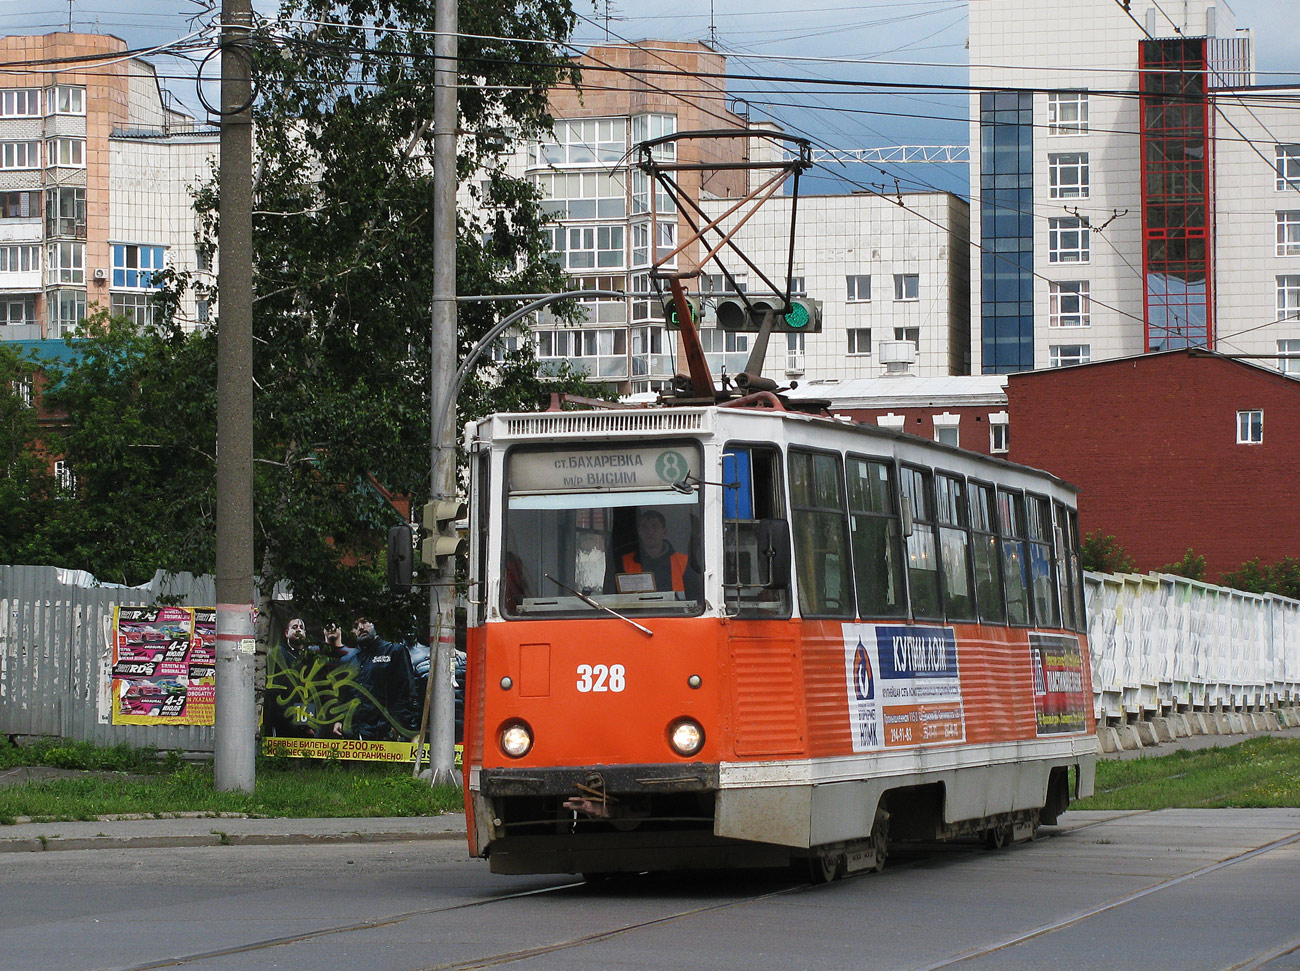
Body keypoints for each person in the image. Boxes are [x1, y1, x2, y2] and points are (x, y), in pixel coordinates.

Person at [341, 616, 419, 741]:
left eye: (365, 622)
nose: (361, 627)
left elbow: (406, 693)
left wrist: (405, 728)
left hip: (388, 731)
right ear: (352, 631)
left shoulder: (394, 651)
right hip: (356, 733)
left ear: (374, 624)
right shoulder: (347, 660)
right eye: (356, 625)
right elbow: (343, 696)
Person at [613, 509, 702, 600]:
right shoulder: (624, 561)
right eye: (644, 527)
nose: (649, 531)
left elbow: (696, 600)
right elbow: (614, 600)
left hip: (676, 613)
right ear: (639, 531)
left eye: (654, 526)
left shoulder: (683, 562)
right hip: (633, 614)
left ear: (664, 532)